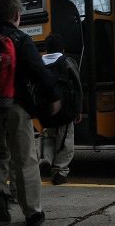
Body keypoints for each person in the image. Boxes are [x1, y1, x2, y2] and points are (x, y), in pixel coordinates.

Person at [0, 0, 60, 226]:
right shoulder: (20, 39)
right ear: (16, 15)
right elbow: (39, 71)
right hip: (17, 107)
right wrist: (53, 97)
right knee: (25, 159)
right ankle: (33, 212)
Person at [39, 33, 83, 185]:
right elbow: (77, 86)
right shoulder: (67, 62)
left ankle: (46, 159)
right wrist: (78, 109)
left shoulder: (39, 63)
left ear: (46, 49)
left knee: (48, 136)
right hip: (65, 110)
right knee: (65, 140)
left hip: (46, 111)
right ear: (62, 48)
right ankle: (60, 171)